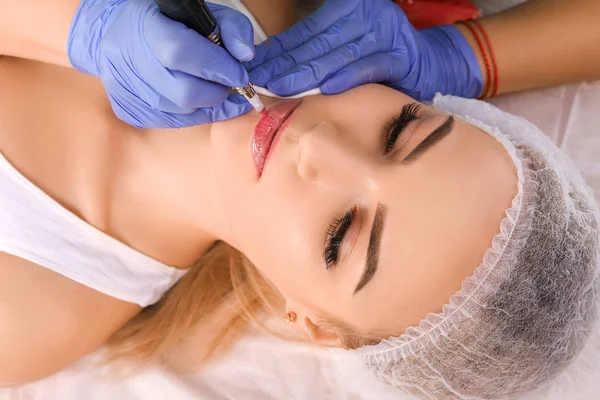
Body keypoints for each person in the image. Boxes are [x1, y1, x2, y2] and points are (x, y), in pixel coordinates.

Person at [0, 1, 598, 399]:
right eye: (400, 132)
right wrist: (463, 56)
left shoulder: (28, 316)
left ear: (312, 323)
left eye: (341, 234)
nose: (318, 145)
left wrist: (74, 27)